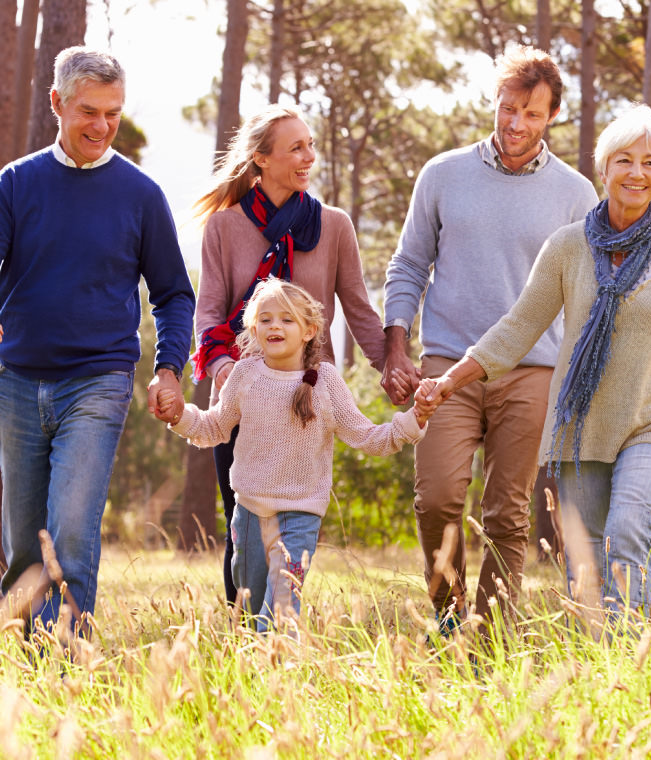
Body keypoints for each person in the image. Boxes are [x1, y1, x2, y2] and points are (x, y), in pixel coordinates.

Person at [417, 104, 651, 619]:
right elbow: (520, 326)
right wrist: (450, 379)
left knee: (628, 528)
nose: (637, 173)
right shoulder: (567, 247)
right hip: (583, 423)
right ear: (605, 168)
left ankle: (624, 658)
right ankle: (599, 665)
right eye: (625, 160)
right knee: (586, 558)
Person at [382, 45, 599, 627]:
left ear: (552, 116)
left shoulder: (576, 195)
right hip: (446, 366)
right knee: (437, 498)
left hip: (532, 370)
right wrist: (395, 346)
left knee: (506, 513)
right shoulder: (443, 174)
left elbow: (586, 294)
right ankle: (448, 617)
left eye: (531, 114)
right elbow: (408, 264)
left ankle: (493, 633)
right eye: (507, 109)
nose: (515, 124)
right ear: (495, 104)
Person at [0, 47, 195, 633]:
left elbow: (173, 292)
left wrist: (168, 369)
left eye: (113, 113)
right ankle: (28, 661)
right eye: (89, 111)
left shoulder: (140, 195)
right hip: (17, 382)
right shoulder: (16, 183)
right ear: (57, 103)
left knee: (72, 529)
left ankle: (68, 659)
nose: (102, 126)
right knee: (25, 540)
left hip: (99, 379)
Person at [192, 104, 411, 606]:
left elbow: (358, 309)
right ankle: (245, 632)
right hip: (241, 395)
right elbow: (209, 312)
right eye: (296, 148)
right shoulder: (224, 227)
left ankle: (280, 627)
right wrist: (226, 369)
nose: (309, 157)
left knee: (296, 522)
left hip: (307, 399)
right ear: (261, 160)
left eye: (311, 145)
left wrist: (392, 368)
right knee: (242, 523)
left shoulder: (333, 226)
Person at [160, 279, 429, 631]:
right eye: (266, 319)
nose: (275, 326)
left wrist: (414, 420)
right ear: (254, 329)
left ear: (309, 330)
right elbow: (214, 427)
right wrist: (180, 416)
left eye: (287, 320)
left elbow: (368, 437)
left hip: (299, 517)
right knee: (253, 609)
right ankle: (257, 676)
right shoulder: (244, 375)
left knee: (281, 609)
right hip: (250, 515)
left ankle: (280, 673)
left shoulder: (325, 383)